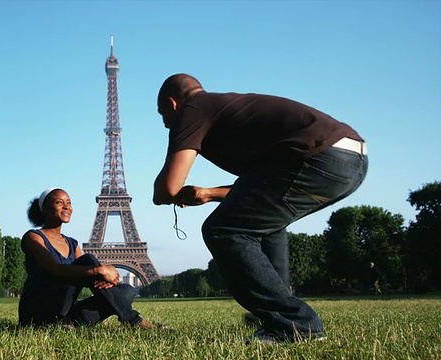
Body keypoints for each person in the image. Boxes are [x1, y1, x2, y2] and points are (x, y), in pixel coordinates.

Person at [152, 74, 368, 344]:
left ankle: (295, 324)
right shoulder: (224, 108)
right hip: (349, 158)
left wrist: (163, 191)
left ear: (173, 104)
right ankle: (269, 316)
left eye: (163, 116)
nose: (165, 124)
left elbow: (168, 190)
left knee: (223, 229)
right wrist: (208, 194)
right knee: (266, 225)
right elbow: (259, 186)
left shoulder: (194, 109)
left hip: (318, 157)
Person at [18, 187, 160, 329]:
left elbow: (86, 279)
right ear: (45, 208)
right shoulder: (33, 237)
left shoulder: (72, 244)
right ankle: (133, 320)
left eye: (69, 202)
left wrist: (106, 282)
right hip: (38, 311)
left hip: (64, 310)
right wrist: (98, 270)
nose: (66, 206)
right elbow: (54, 269)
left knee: (127, 291)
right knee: (88, 260)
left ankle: (65, 323)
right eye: (59, 202)